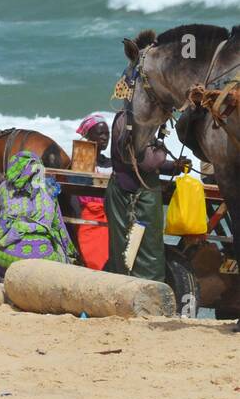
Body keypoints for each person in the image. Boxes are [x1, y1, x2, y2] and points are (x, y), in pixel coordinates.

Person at [106, 109, 187, 281]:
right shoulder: (128, 121)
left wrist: (173, 166)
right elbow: (149, 163)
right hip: (129, 197)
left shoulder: (143, 121)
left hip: (143, 195)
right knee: (130, 252)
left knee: (149, 249)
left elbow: (148, 160)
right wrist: (162, 150)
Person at [0, 150, 76, 279]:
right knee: (60, 252)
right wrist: (68, 253)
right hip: (45, 258)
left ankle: (0, 277)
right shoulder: (49, 187)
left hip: (7, 260)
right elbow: (58, 226)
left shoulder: (3, 187)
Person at [73, 114, 111, 270]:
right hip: (88, 218)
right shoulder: (81, 161)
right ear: (88, 135)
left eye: (107, 134)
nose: (104, 137)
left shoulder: (111, 163)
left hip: (109, 215)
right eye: (100, 133)